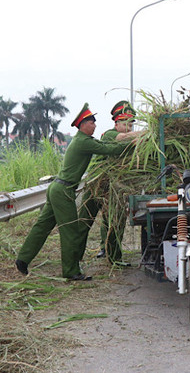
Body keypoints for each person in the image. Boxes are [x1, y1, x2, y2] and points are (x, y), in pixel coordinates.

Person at [15, 103, 129, 281]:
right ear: (83, 124)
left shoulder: (81, 140)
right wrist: (134, 142)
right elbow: (110, 150)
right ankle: (70, 271)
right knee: (71, 232)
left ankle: (23, 259)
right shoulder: (83, 141)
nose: (95, 125)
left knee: (43, 226)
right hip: (63, 190)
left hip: (56, 188)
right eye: (92, 122)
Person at [79, 101, 142, 265]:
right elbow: (122, 138)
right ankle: (75, 256)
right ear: (116, 123)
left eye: (131, 124)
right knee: (84, 221)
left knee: (114, 219)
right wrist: (146, 134)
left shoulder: (132, 140)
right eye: (125, 123)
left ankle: (112, 255)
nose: (129, 128)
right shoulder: (109, 135)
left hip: (113, 186)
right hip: (96, 183)